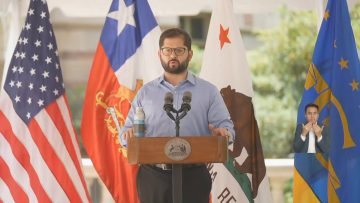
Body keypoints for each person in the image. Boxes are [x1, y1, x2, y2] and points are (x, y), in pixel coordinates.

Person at [120, 28, 235, 203]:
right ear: (159, 54)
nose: (172, 55)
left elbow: (228, 130)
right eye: (167, 50)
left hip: (194, 176)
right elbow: (125, 133)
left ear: (189, 54)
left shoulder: (208, 91)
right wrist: (128, 135)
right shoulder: (145, 93)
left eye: (179, 50)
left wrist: (223, 133)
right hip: (153, 177)